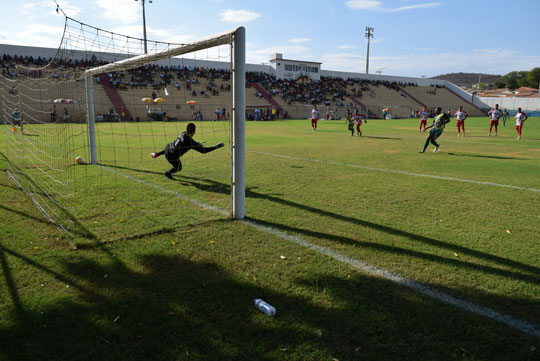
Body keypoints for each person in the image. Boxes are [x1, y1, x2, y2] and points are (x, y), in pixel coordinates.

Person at [151, 123, 224, 179]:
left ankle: (157, 155)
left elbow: (183, 144)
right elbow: (203, 151)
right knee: (179, 168)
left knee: (172, 148)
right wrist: (217, 146)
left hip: (167, 148)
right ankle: (167, 173)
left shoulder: (183, 133)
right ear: (194, 131)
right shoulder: (190, 142)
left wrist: (158, 154)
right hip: (172, 156)